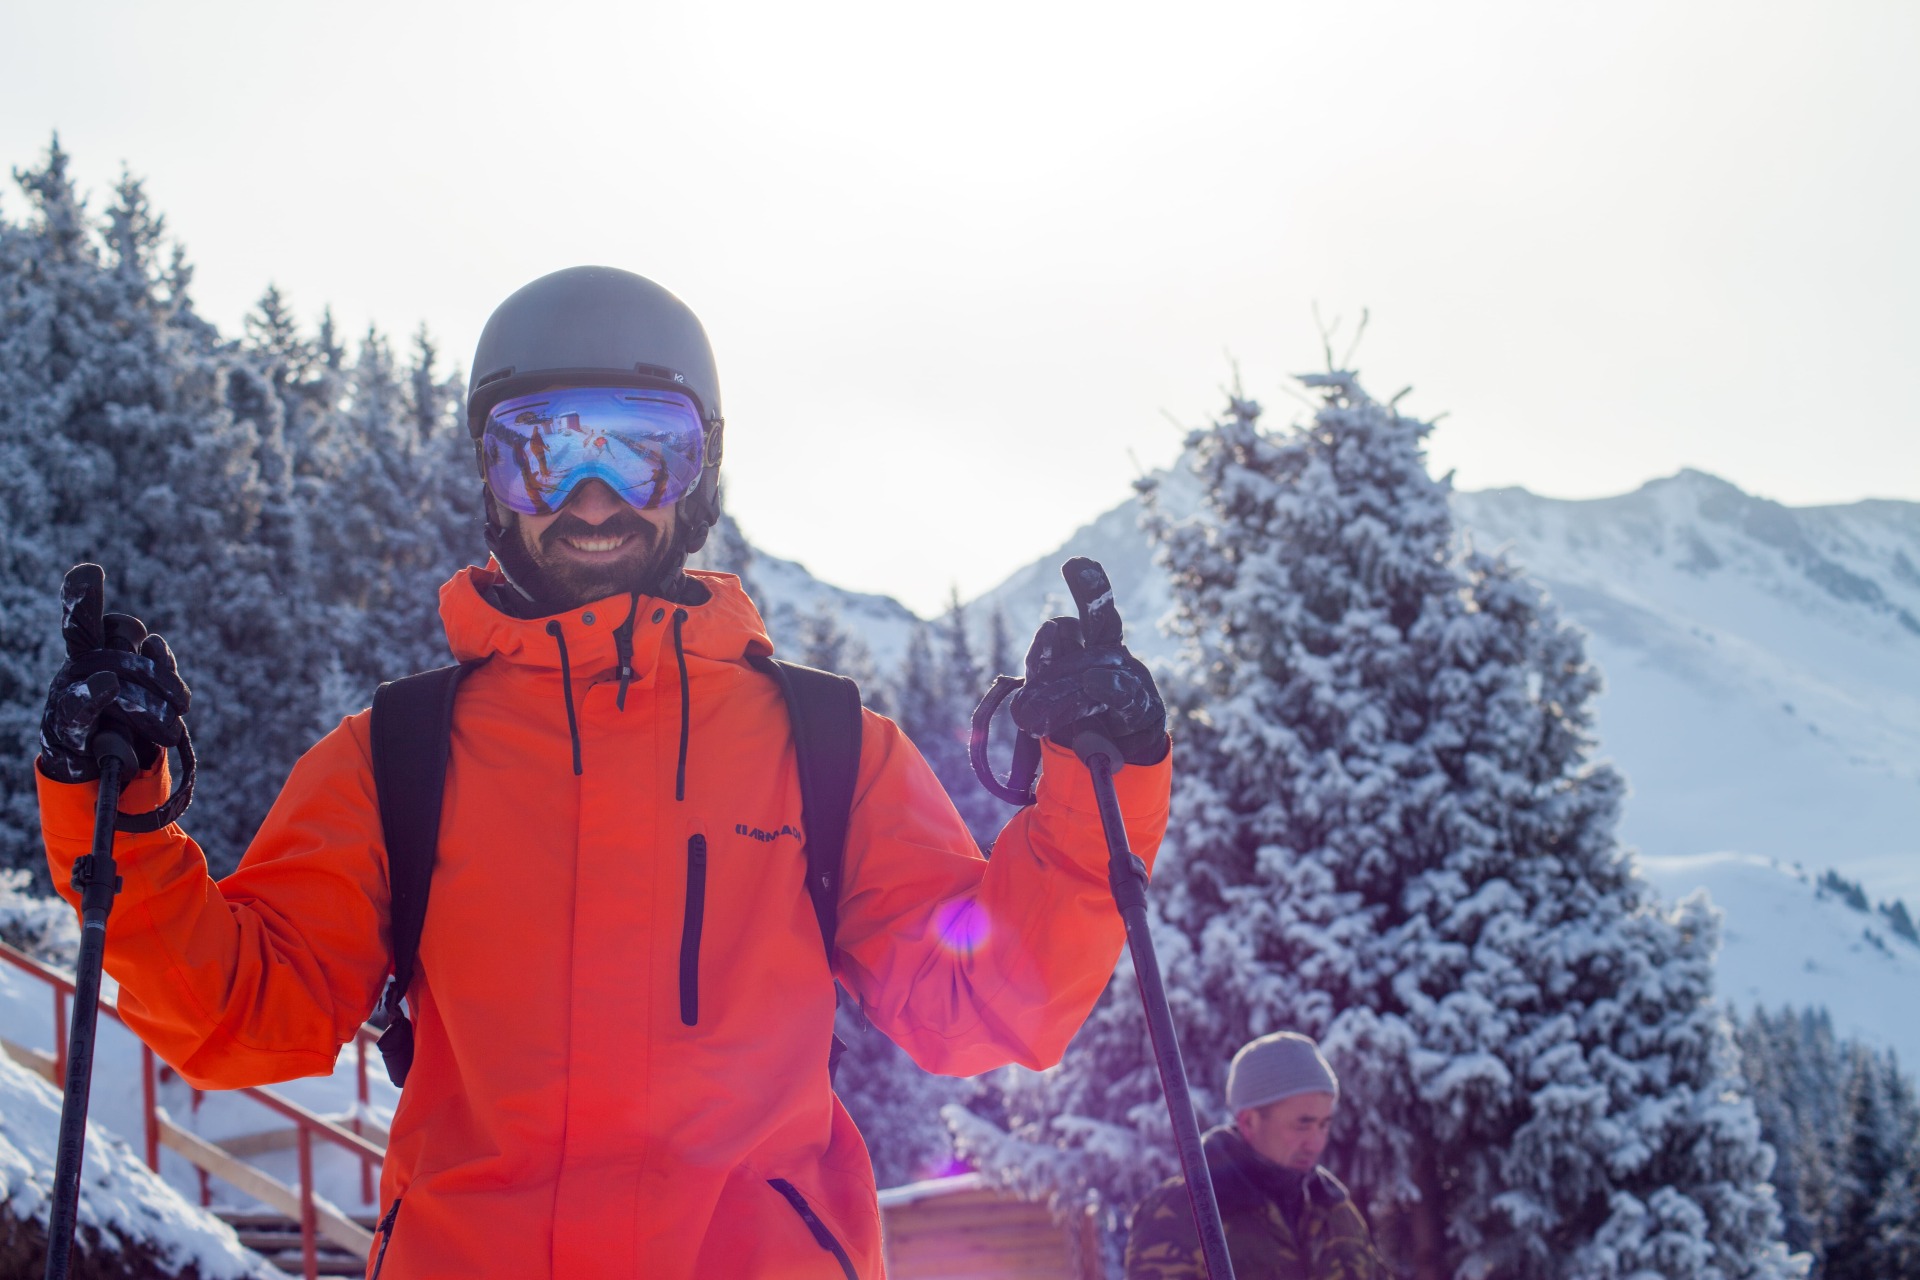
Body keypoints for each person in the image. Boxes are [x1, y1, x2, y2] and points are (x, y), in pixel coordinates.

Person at [35, 266, 1174, 1280]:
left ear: (699, 469)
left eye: (638, 444)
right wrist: (117, 824)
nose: (591, 492)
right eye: (542, 448)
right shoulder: (399, 755)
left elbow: (982, 1002)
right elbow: (248, 1007)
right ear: (493, 477)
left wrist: (1096, 787)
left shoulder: (825, 746)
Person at [1124, 1031, 1384, 1280]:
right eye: (1302, 1125)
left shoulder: (1335, 1209)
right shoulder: (1183, 1213)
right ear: (1248, 1121)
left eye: (1324, 1124)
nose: (1316, 1143)